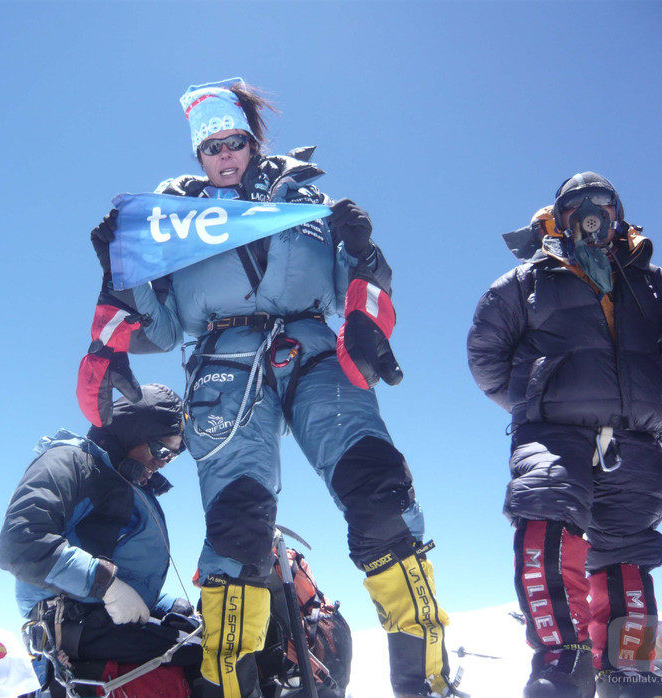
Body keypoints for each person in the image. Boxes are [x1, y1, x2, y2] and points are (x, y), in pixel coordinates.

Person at [79, 78, 454, 698]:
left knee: (378, 490)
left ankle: (429, 683)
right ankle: (232, 687)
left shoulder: (304, 202)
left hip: (310, 351)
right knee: (239, 528)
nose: (223, 157)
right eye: (210, 149)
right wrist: (123, 266)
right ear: (198, 157)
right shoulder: (176, 220)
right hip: (223, 368)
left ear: (251, 142)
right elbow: (164, 327)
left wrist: (362, 249)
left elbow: (346, 289)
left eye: (232, 143)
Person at [467, 172, 662, 698]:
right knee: (545, 516)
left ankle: (629, 669)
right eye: (578, 205)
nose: (592, 213)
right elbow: (485, 354)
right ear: (559, 217)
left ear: (618, 216)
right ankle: (560, 660)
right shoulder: (526, 281)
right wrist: (538, 399)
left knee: (627, 551)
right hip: (553, 432)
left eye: (602, 204)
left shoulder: (656, 283)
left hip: (635, 437)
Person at [0, 384, 203, 697]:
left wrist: (171, 606)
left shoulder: (127, 487)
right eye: (161, 450)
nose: (163, 462)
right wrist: (106, 586)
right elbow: (20, 542)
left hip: (107, 625)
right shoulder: (71, 463)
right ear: (134, 431)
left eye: (172, 457)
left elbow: (129, 582)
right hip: (74, 628)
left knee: (215, 648)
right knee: (201, 656)